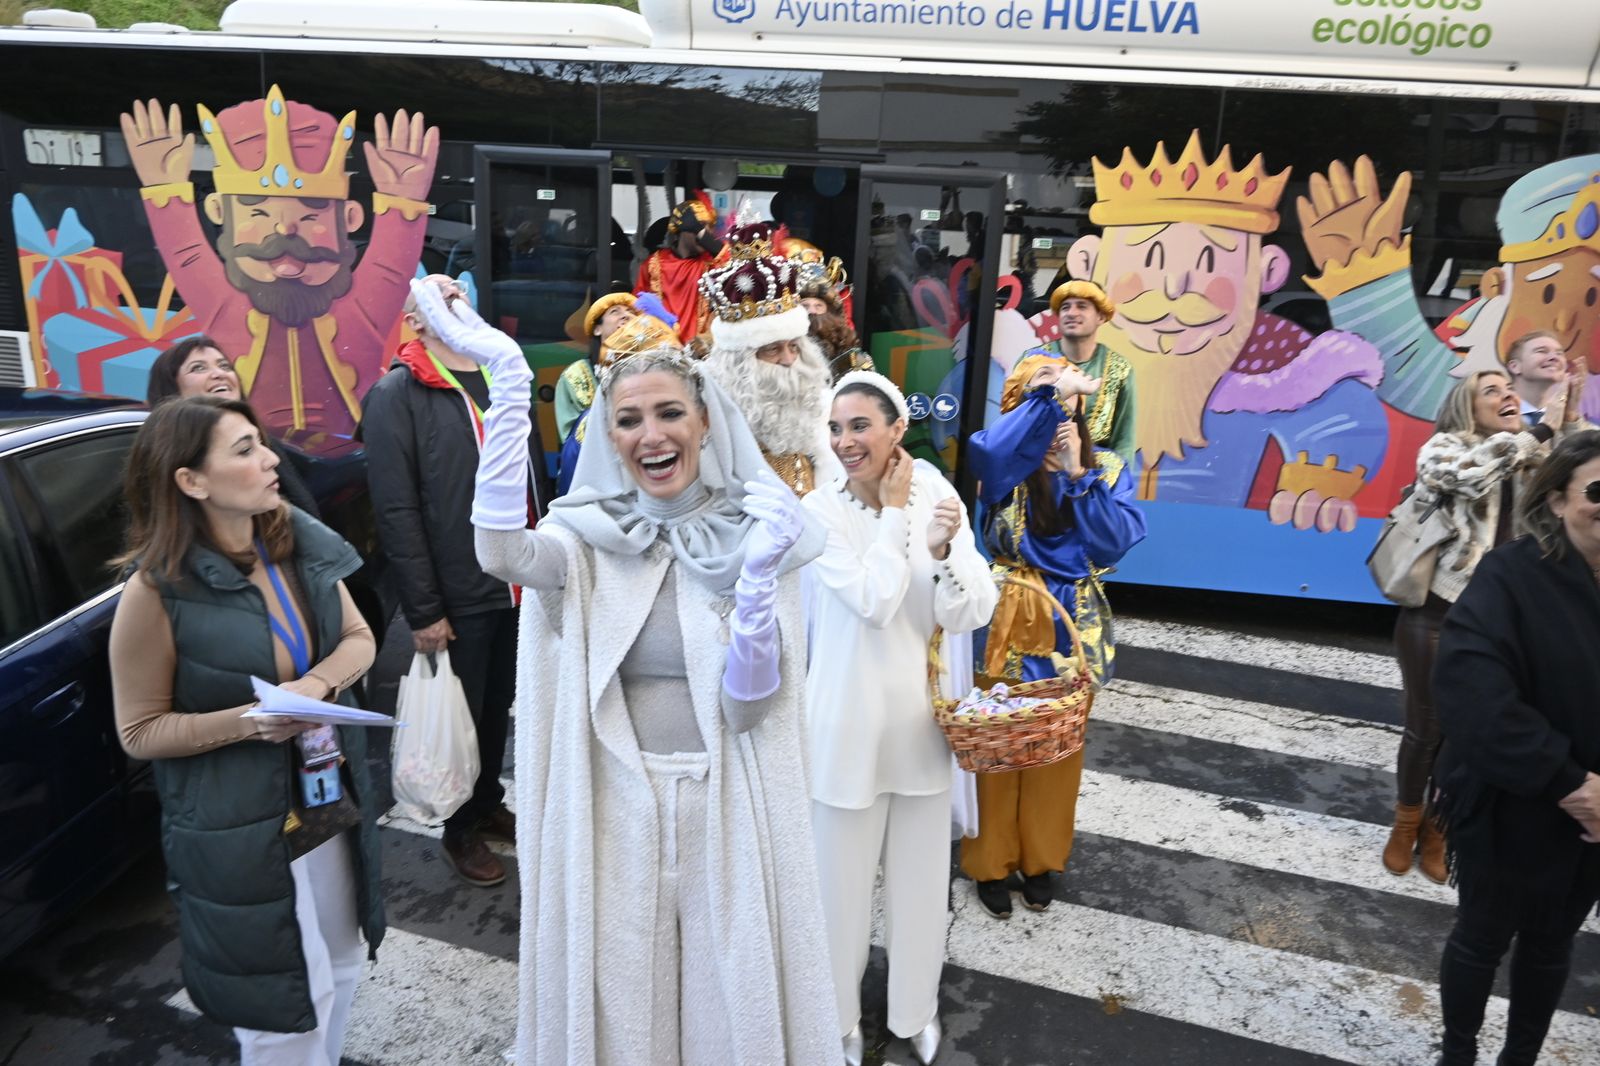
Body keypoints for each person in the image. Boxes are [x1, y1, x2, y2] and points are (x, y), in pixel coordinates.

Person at [404, 279, 839, 1064]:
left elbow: (749, 713)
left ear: (706, 422)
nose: (651, 434)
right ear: (608, 437)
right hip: (613, 804)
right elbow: (499, 554)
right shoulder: (586, 538)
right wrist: (507, 382)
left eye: (669, 412)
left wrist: (753, 592)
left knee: (723, 998)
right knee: (619, 1005)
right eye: (628, 419)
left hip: (725, 802)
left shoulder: (760, 533)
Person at [108, 396, 382, 1065]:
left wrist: (315, 689)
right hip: (237, 828)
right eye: (244, 450)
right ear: (191, 481)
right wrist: (252, 723)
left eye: (262, 443)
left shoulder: (290, 534)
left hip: (323, 793)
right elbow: (140, 732)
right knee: (281, 1011)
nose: (269, 460)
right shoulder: (154, 591)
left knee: (341, 962)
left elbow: (358, 638)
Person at [803, 371, 997, 1066]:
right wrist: (892, 516)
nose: (845, 440)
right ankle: (840, 1018)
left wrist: (945, 553)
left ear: (895, 431)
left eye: (860, 426)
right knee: (837, 894)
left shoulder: (938, 496)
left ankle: (916, 1011)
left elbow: (971, 610)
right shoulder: (818, 512)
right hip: (842, 728)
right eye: (835, 427)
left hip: (920, 729)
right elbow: (872, 600)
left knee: (920, 888)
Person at [120, 88, 439, 436]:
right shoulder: (223, 304)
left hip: (351, 469)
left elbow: (391, 265)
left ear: (348, 218)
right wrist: (165, 191)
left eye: (309, 217)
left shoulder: (360, 310)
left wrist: (401, 200)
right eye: (257, 212)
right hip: (259, 459)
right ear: (217, 213)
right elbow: (187, 254)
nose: (285, 229)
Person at [1429, 430, 1600, 1066]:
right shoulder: (1511, 573)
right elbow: (1474, 693)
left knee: (1554, 944)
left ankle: (1520, 1058)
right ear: (1557, 499)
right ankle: (1458, 1053)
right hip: (1512, 802)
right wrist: (1573, 785)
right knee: (1482, 938)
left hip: (1594, 821)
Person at [960, 352, 1147, 919]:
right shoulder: (1003, 470)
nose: (1057, 410)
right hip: (1006, 619)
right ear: (1020, 408)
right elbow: (988, 448)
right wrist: (1047, 395)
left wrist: (1075, 474)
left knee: (1054, 749)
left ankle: (1041, 860)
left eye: (1065, 398)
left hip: (1071, 622)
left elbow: (1115, 542)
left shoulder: (1107, 467)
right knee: (996, 745)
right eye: (1041, 396)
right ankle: (990, 861)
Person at [1381, 365, 1585, 883]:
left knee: (1472, 732)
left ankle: (1439, 827)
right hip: (1437, 613)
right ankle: (1406, 821)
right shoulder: (1445, 448)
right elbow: (1470, 474)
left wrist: (1572, 412)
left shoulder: (1530, 451)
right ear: (1466, 407)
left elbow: (1581, 469)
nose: (1506, 395)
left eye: (1509, 389)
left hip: (1498, 621)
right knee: (1427, 728)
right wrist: (1534, 433)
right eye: (1490, 390)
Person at [361, 274, 529, 887]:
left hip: (512, 584)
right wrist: (424, 610)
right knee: (459, 711)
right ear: (415, 321)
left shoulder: (498, 374)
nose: (456, 299)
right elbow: (397, 510)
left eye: (459, 293)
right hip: (457, 591)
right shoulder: (396, 395)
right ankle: (458, 827)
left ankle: (484, 803)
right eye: (440, 297)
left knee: (494, 708)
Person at [701, 221, 842, 496]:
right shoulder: (705, 416)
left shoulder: (823, 406)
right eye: (773, 349)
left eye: (794, 347)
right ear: (739, 363)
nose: (789, 360)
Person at [146, 335, 320, 517]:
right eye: (198, 368)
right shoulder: (159, 464)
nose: (219, 374)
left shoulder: (269, 444)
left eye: (224, 366)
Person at [1029, 279, 1136, 467]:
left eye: (1082, 306)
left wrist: (1110, 489)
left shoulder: (1120, 369)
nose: (1072, 313)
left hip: (1095, 474)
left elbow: (1124, 440)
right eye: (1065, 307)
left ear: (1101, 317)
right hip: (1038, 473)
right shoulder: (1034, 361)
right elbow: (1013, 422)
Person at [636, 193, 727, 343]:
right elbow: (638, 308)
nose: (706, 233)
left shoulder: (711, 263)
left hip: (700, 354)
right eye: (700, 226)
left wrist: (700, 232)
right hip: (663, 351)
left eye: (709, 227)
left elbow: (734, 263)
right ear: (682, 229)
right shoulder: (653, 263)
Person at [1505, 330, 1583, 426]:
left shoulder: (1570, 418)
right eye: (1542, 351)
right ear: (1515, 367)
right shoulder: (1494, 419)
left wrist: (1570, 418)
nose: (1554, 357)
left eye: (1559, 353)